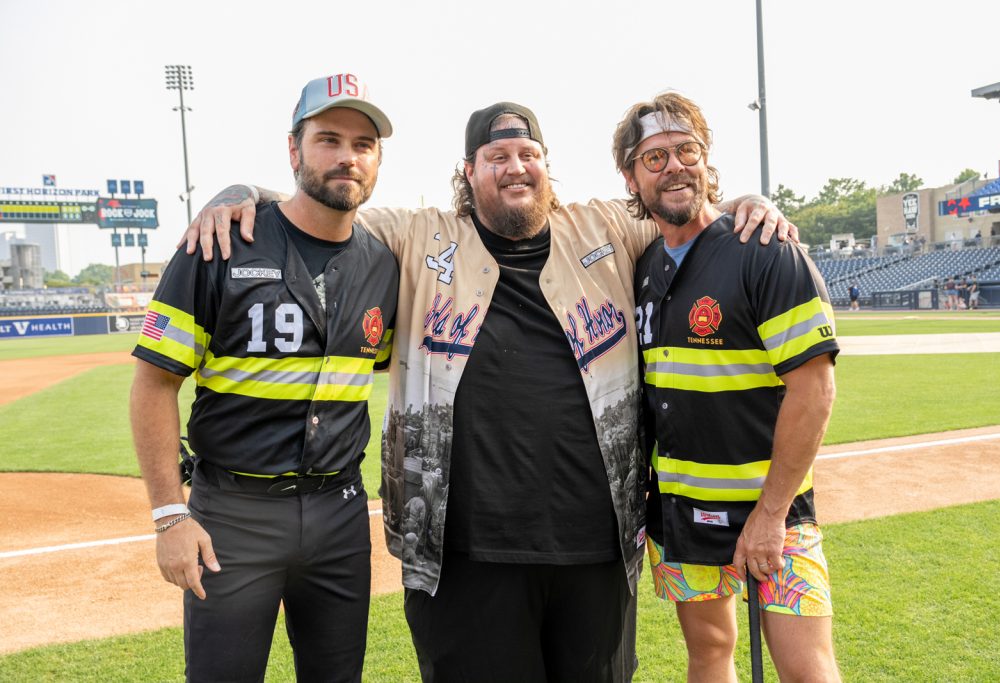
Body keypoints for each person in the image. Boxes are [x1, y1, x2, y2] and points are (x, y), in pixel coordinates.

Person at [184, 101, 795, 682]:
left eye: (527, 152)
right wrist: (241, 193)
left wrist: (752, 200)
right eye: (496, 156)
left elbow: (681, 205)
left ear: (547, 166)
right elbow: (325, 204)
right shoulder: (418, 234)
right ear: (468, 172)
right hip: (461, 551)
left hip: (595, 545)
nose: (515, 166)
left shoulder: (604, 225)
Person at [129, 72, 399, 681]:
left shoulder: (383, 263)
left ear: (378, 160)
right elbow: (153, 383)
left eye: (363, 144)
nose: (346, 157)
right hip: (233, 517)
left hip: (340, 513)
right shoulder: (222, 242)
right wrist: (170, 517)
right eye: (328, 139)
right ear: (294, 149)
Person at [612, 93, 841, 681]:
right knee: (709, 653)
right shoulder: (643, 268)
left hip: (774, 515)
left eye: (686, 150)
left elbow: (814, 391)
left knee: (805, 668)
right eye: (654, 156)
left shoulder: (765, 250)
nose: (674, 166)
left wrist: (770, 514)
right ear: (632, 177)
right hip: (684, 512)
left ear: (706, 159)